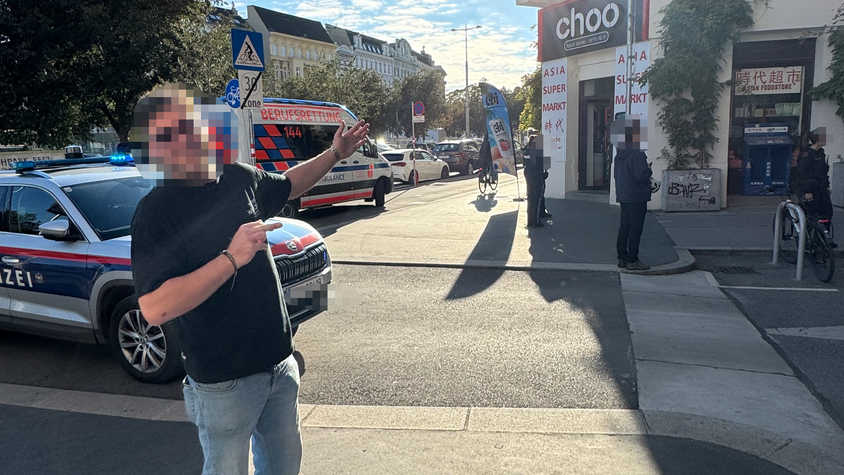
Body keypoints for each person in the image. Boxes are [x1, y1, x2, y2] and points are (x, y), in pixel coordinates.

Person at [129, 83, 369, 475]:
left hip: (278, 363)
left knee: (283, 468)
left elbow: (290, 183)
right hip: (223, 383)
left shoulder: (236, 177)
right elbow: (156, 307)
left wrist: (335, 154)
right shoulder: (158, 211)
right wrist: (230, 258)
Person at [612, 117, 652, 271]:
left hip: (623, 194)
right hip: (637, 196)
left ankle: (622, 257)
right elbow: (640, 176)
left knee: (624, 226)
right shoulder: (637, 154)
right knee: (636, 229)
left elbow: (617, 175)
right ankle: (633, 260)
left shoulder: (619, 154)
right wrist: (648, 169)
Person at [794, 128, 833, 230]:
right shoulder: (807, 154)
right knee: (811, 216)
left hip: (821, 188)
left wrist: (827, 186)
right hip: (810, 189)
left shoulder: (820, 153)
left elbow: (823, 172)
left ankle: (824, 239)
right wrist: (807, 191)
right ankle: (807, 241)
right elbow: (803, 174)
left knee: (827, 213)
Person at [524, 132, 545, 228]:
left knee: (530, 199)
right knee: (537, 199)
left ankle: (529, 220)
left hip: (528, 176)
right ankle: (535, 221)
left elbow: (525, 166)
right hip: (537, 177)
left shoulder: (526, 152)